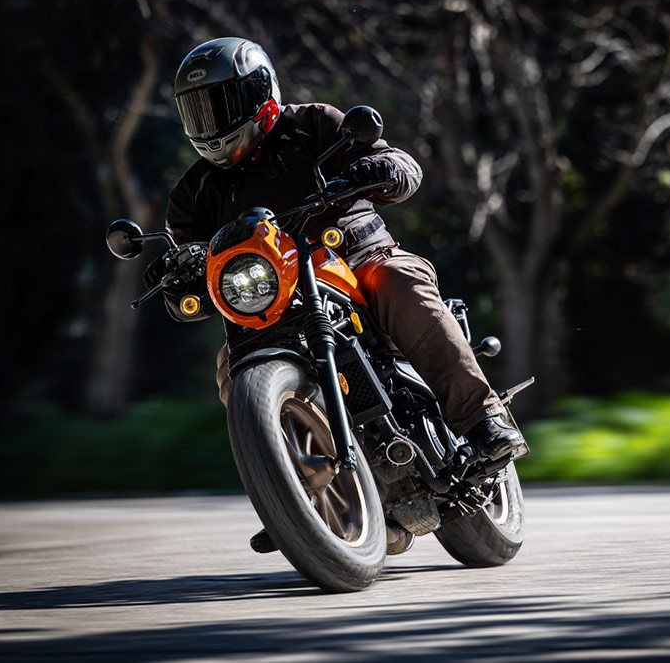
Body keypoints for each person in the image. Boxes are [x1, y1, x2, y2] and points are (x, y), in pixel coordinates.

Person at [155, 38, 528, 545]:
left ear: (259, 92)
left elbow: (400, 164)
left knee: (400, 282)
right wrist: (175, 273)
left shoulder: (313, 125)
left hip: (356, 259)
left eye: (220, 104)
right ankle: (293, 495)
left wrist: (379, 169)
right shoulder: (193, 192)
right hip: (273, 301)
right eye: (197, 110)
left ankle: (483, 421)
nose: (210, 121)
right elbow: (188, 269)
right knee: (231, 370)